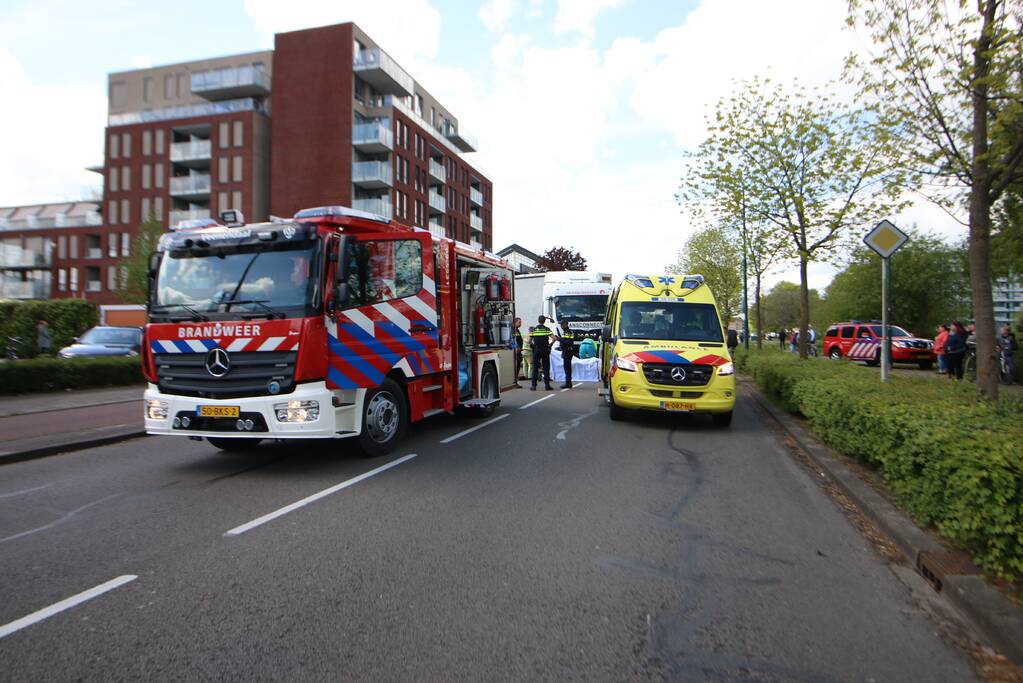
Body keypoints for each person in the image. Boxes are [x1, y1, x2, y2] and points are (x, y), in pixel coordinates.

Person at [529, 315, 554, 391]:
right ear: (544, 321)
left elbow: (529, 340)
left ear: (538, 320)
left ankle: (533, 386)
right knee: (546, 367)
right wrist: (550, 345)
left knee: (535, 368)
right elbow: (554, 338)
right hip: (545, 350)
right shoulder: (547, 329)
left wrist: (533, 345)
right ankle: (547, 385)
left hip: (536, 350)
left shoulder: (534, 330)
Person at [555, 322, 577, 389]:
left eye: (562, 325)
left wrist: (560, 339)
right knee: (567, 368)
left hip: (567, 352)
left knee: (567, 368)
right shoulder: (566, 332)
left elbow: (569, 342)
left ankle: (568, 383)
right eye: (561, 325)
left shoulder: (568, 332)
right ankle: (568, 382)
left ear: (566, 325)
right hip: (566, 351)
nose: (561, 326)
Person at [512, 317, 523, 384]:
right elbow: (512, 340)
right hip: (516, 352)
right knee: (515, 367)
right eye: (519, 322)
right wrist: (516, 348)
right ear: (515, 322)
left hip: (519, 351)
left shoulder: (517, 330)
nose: (520, 323)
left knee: (518, 366)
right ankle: (515, 382)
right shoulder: (513, 331)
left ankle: (516, 381)